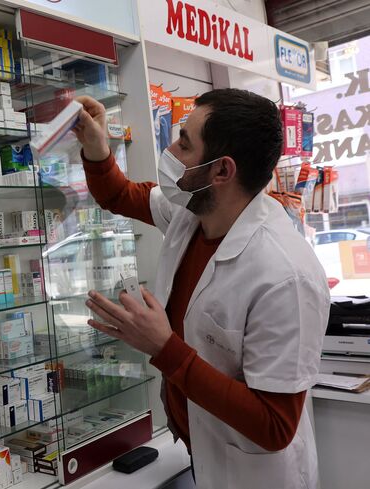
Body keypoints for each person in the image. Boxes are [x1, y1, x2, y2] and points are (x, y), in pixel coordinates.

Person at [72, 89, 329, 489]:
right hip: (200, 454)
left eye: (184, 143)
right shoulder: (194, 209)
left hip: (253, 477)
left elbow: (275, 426)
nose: (170, 150)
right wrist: (96, 146)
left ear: (221, 171)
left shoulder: (286, 277)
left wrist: (164, 347)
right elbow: (117, 194)